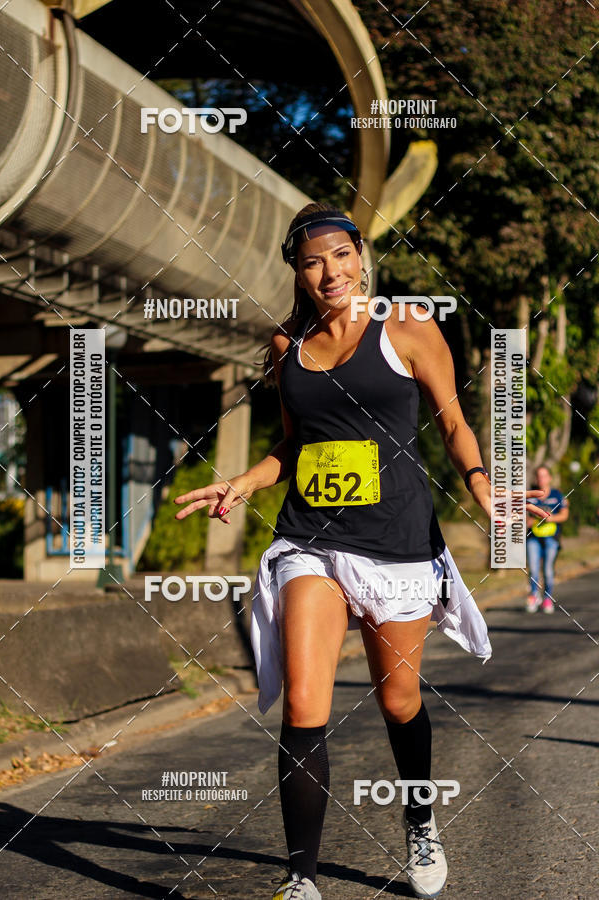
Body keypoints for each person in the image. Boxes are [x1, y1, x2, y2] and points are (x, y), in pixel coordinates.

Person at [173, 202, 548, 900]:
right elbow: (293, 444)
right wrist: (245, 481)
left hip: (397, 542)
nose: (329, 271)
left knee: (398, 699)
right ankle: (302, 880)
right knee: (305, 703)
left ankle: (420, 819)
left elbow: (455, 422)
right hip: (310, 539)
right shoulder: (289, 346)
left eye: (340, 254)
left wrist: (481, 485)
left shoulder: (407, 328)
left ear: (360, 255)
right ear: (297, 271)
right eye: (313, 261)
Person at [525, 464, 570, 614]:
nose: (541, 479)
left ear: (549, 478)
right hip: (533, 537)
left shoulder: (557, 495)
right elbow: (522, 515)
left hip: (551, 538)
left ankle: (547, 598)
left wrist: (550, 518)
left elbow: (564, 515)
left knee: (548, 570)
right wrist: (529, 521)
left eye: (544, 475)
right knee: (533, 568)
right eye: (539, 476)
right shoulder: (530, 495)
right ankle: (533, 595)